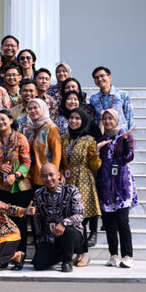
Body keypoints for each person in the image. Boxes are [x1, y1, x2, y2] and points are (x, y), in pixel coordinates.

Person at [0, 109, 33, 254]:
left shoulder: (20, 138)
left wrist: (16, 175)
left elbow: (26, 161)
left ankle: (20, 253)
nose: (0, 122)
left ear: (11, 120)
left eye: (3, 119)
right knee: (2, 222)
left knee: (20, 221)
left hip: (19, 187)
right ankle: (4, 254)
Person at [61, 108, 103, 265]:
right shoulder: (63, 138)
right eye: (71, 117)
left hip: (83, 181)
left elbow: (94, 166)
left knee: (81, 219)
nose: (73, 121)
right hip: (67, 180)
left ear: (83, 121)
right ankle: (79, 253)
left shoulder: (89, 140)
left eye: (77, 118)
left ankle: (85, 254)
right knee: (71, 218)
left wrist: (96, 153)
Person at [97, 109, 137, 268]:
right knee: (109, 223)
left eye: (110, 119)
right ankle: (113, 254)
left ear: (116, 120)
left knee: (122, 221)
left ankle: (128, 256)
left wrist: (125, 142)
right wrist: (97, 149)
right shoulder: (102, 139)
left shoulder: (125, 136)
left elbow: (129, 158)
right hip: (106, 185)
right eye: (105, 119)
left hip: (122, 185)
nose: (107, 122)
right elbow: (96, 164)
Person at [29, 164, 85, 273]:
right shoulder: (38, 194)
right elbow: (38, 222)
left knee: (68, 231)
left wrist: (64, 223)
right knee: (38, 264)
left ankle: (67, 261)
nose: (48, 179)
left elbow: (79, 215)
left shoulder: (72, 190)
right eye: (44, 176)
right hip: (50, 237)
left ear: (58, 175)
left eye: (51, 175)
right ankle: (62, 253)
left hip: (71, 234)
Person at [24, 98, 62, 186]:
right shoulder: (29, 130)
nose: (32, 111)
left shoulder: (51, 128)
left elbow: (57, 154)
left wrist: (53, 176)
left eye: (35, 108)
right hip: (30, 177)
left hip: (46, 178)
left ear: (43, 108)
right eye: (30, 109)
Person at [90, 66, 134, 131]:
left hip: (120, 135)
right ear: (95, 81)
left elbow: (129, 117)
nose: (99, 79)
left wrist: (127, 135)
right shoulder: (93, 98)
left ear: (110, 77)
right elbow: (94, 119)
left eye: (102, 76)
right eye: (96, 78)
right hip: (103, 136)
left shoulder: (123, 95)